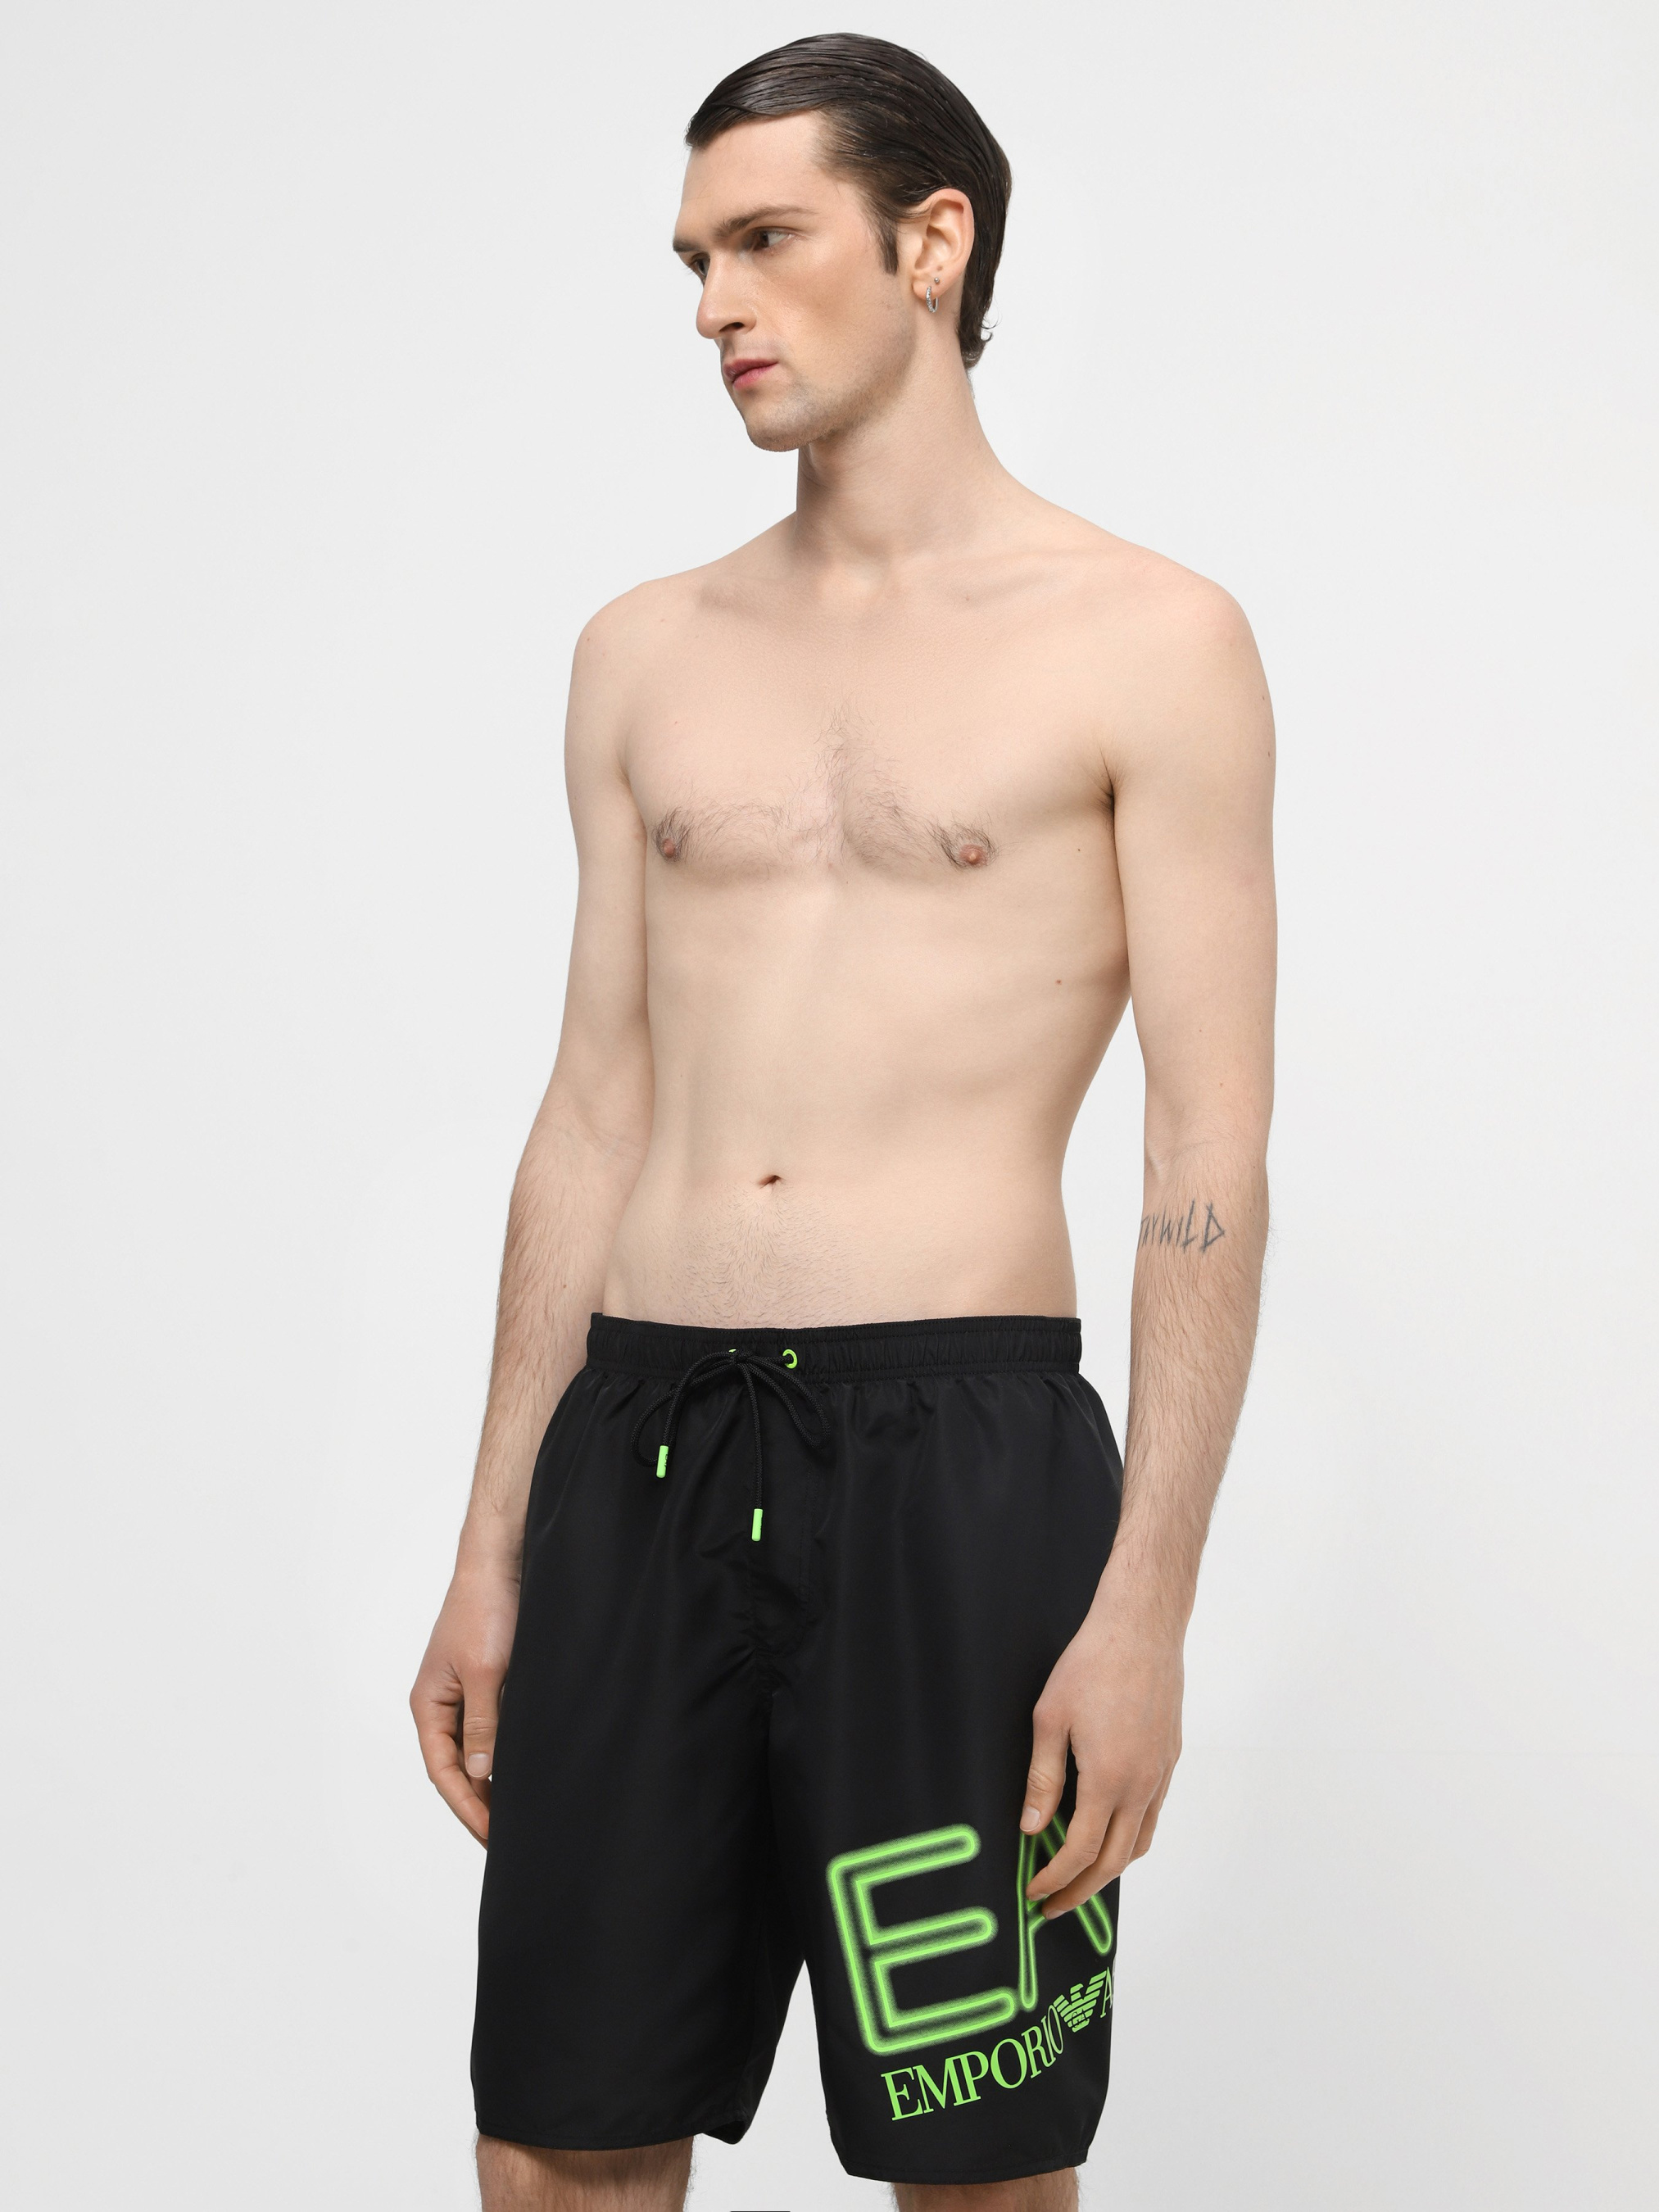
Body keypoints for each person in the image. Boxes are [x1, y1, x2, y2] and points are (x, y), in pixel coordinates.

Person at [411, 31, 1275, 2212]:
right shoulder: (642, 652)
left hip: (955, 1463)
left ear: (930, 242)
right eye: (694, 259)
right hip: (642, 1445)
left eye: (765, 241)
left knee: (974, 2162)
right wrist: (492, 1544)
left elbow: (1204, 1160)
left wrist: (1146, 1607)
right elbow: (591, 1108)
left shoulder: (1149, 641)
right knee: (556, 2144)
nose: (714, 303)